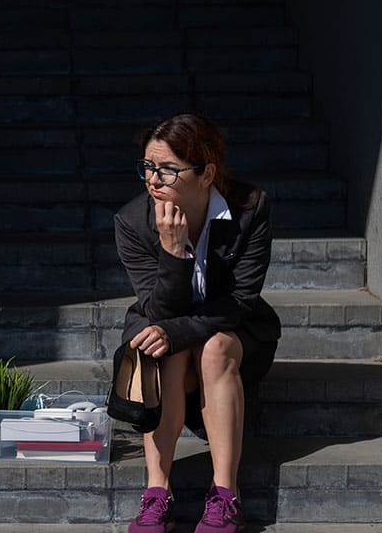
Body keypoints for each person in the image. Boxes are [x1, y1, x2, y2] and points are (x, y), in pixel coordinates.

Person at [114, 113, 281, 533]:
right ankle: (157, 492)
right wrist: (173, 253)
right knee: (161, 348)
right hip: (165, 329)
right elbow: (158, 313)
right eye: (148, 167)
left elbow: (240, 299)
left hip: (235, 334)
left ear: (207, 173)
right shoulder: (132, 222)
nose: (153, 179)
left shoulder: (250, 208)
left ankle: (225, 494)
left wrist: (179, 332)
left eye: (168, 169)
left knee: (214, 346)